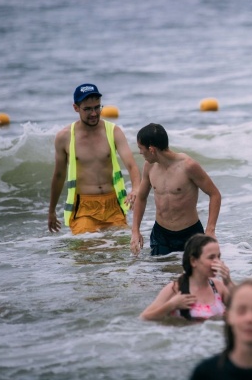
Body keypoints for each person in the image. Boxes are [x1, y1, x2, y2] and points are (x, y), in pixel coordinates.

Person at [48, 84, 141, 235]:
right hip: (83, 209)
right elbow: (59, 176)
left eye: (97, 107)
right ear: (76, 108)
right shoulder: (64, 137)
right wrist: (51, 211)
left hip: (113, 205)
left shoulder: (113, 131)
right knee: (86, 249)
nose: (94, 113)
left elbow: (131, 165)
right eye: (88, 109)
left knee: (122, 248)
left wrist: (136, 189)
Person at [130, 123, 221, 256]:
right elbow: (141, 197)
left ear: (151, 149)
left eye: (141, 148)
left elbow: (214, 194)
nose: (140, 152)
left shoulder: (188, 166)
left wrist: (210, 229)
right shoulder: (149, 167)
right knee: (159, 270)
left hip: (190, 235)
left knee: (194, 270)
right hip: (161, 235)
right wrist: (135, 231)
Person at [140, 234, 233, 321]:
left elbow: (240, 308)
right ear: (193, 261)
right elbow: (144, 318)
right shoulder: (175, 288)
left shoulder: (217, 287)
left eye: (218, 257)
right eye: (211, 257)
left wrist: (228, 282)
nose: (218, 262)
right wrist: (171, 305)